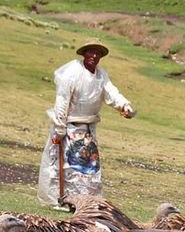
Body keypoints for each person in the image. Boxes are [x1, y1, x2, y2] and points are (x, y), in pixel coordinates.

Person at [37, 39, 135, 206]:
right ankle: (60, 200)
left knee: (87, 169)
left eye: (98, 53)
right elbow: (62, 101)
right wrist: (60, 129)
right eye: (91, 52)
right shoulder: (71, 73)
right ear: (84, 53)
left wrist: (125, 105)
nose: (94, 56)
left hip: (88, 129)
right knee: (67, 167)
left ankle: (85, 202)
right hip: (69, 127)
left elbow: (111, 92)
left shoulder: (101, 75)